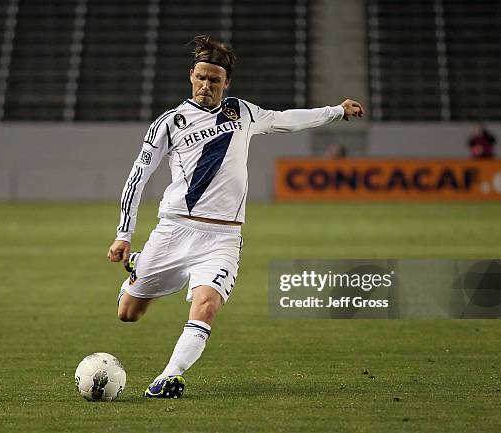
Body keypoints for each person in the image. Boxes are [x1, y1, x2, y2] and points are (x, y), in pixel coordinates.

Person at [107, 35, 364, 398]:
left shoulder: (241, 112)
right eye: (200, 77)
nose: (206, 85)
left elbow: (285, 119)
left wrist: (335, 111)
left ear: (226, 83)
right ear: (190, 76)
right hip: (174, 230)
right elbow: (138, 176)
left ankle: (170, 376)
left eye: (214, 80)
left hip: (223, 238)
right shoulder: (169, 123)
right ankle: (139, 264)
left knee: (207, 304)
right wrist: (124, 234)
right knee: (128, 313)